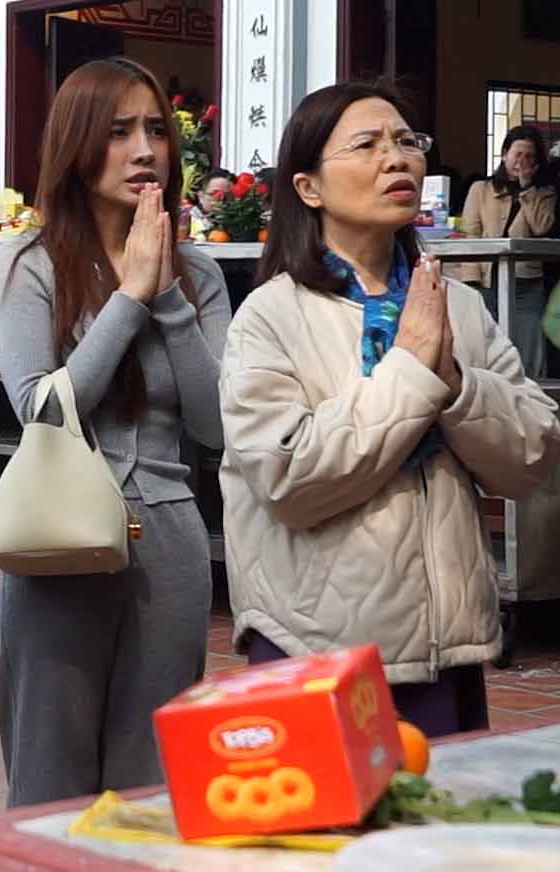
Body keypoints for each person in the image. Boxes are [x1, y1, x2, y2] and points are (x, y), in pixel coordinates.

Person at [220, 83, 560, 738]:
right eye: (368, 144)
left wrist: (455, 381)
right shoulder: (271, 315)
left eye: (407, 141)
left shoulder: (456, 305)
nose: (397, 159)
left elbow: (532, 456)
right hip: (315, 646)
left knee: (437, 835)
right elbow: (289, 479)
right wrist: (409, 369)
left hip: (446, 646)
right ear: (309, 187)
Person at [0, 57, 230, 807]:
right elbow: (43, 408)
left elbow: (216, 424)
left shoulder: (200, 274)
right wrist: (128, 294)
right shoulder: (27, 262)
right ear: (78, 143)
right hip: (55, 543)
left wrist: (167, 298)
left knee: (151, 790)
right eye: (120, 130)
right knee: (48, 785)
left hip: (170, 547)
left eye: (157, 130)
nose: (145, 150)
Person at [457, 125, 554, 378]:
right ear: (504, 155)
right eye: (517, 154)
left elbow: (542, 227)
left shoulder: (544, 193)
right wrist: (471, 280)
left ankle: (532, 400)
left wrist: (527, 189)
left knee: (528, 346)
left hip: (526, 283)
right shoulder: (481, 189)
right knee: (485, 345)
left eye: (529, 156)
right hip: (486, 280)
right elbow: (470, 233)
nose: (521, 161)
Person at [188, 167, 234, 239]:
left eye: (228, 196)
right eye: (216, 194)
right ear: (200, 195)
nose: (222, 199)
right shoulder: (187, 220)